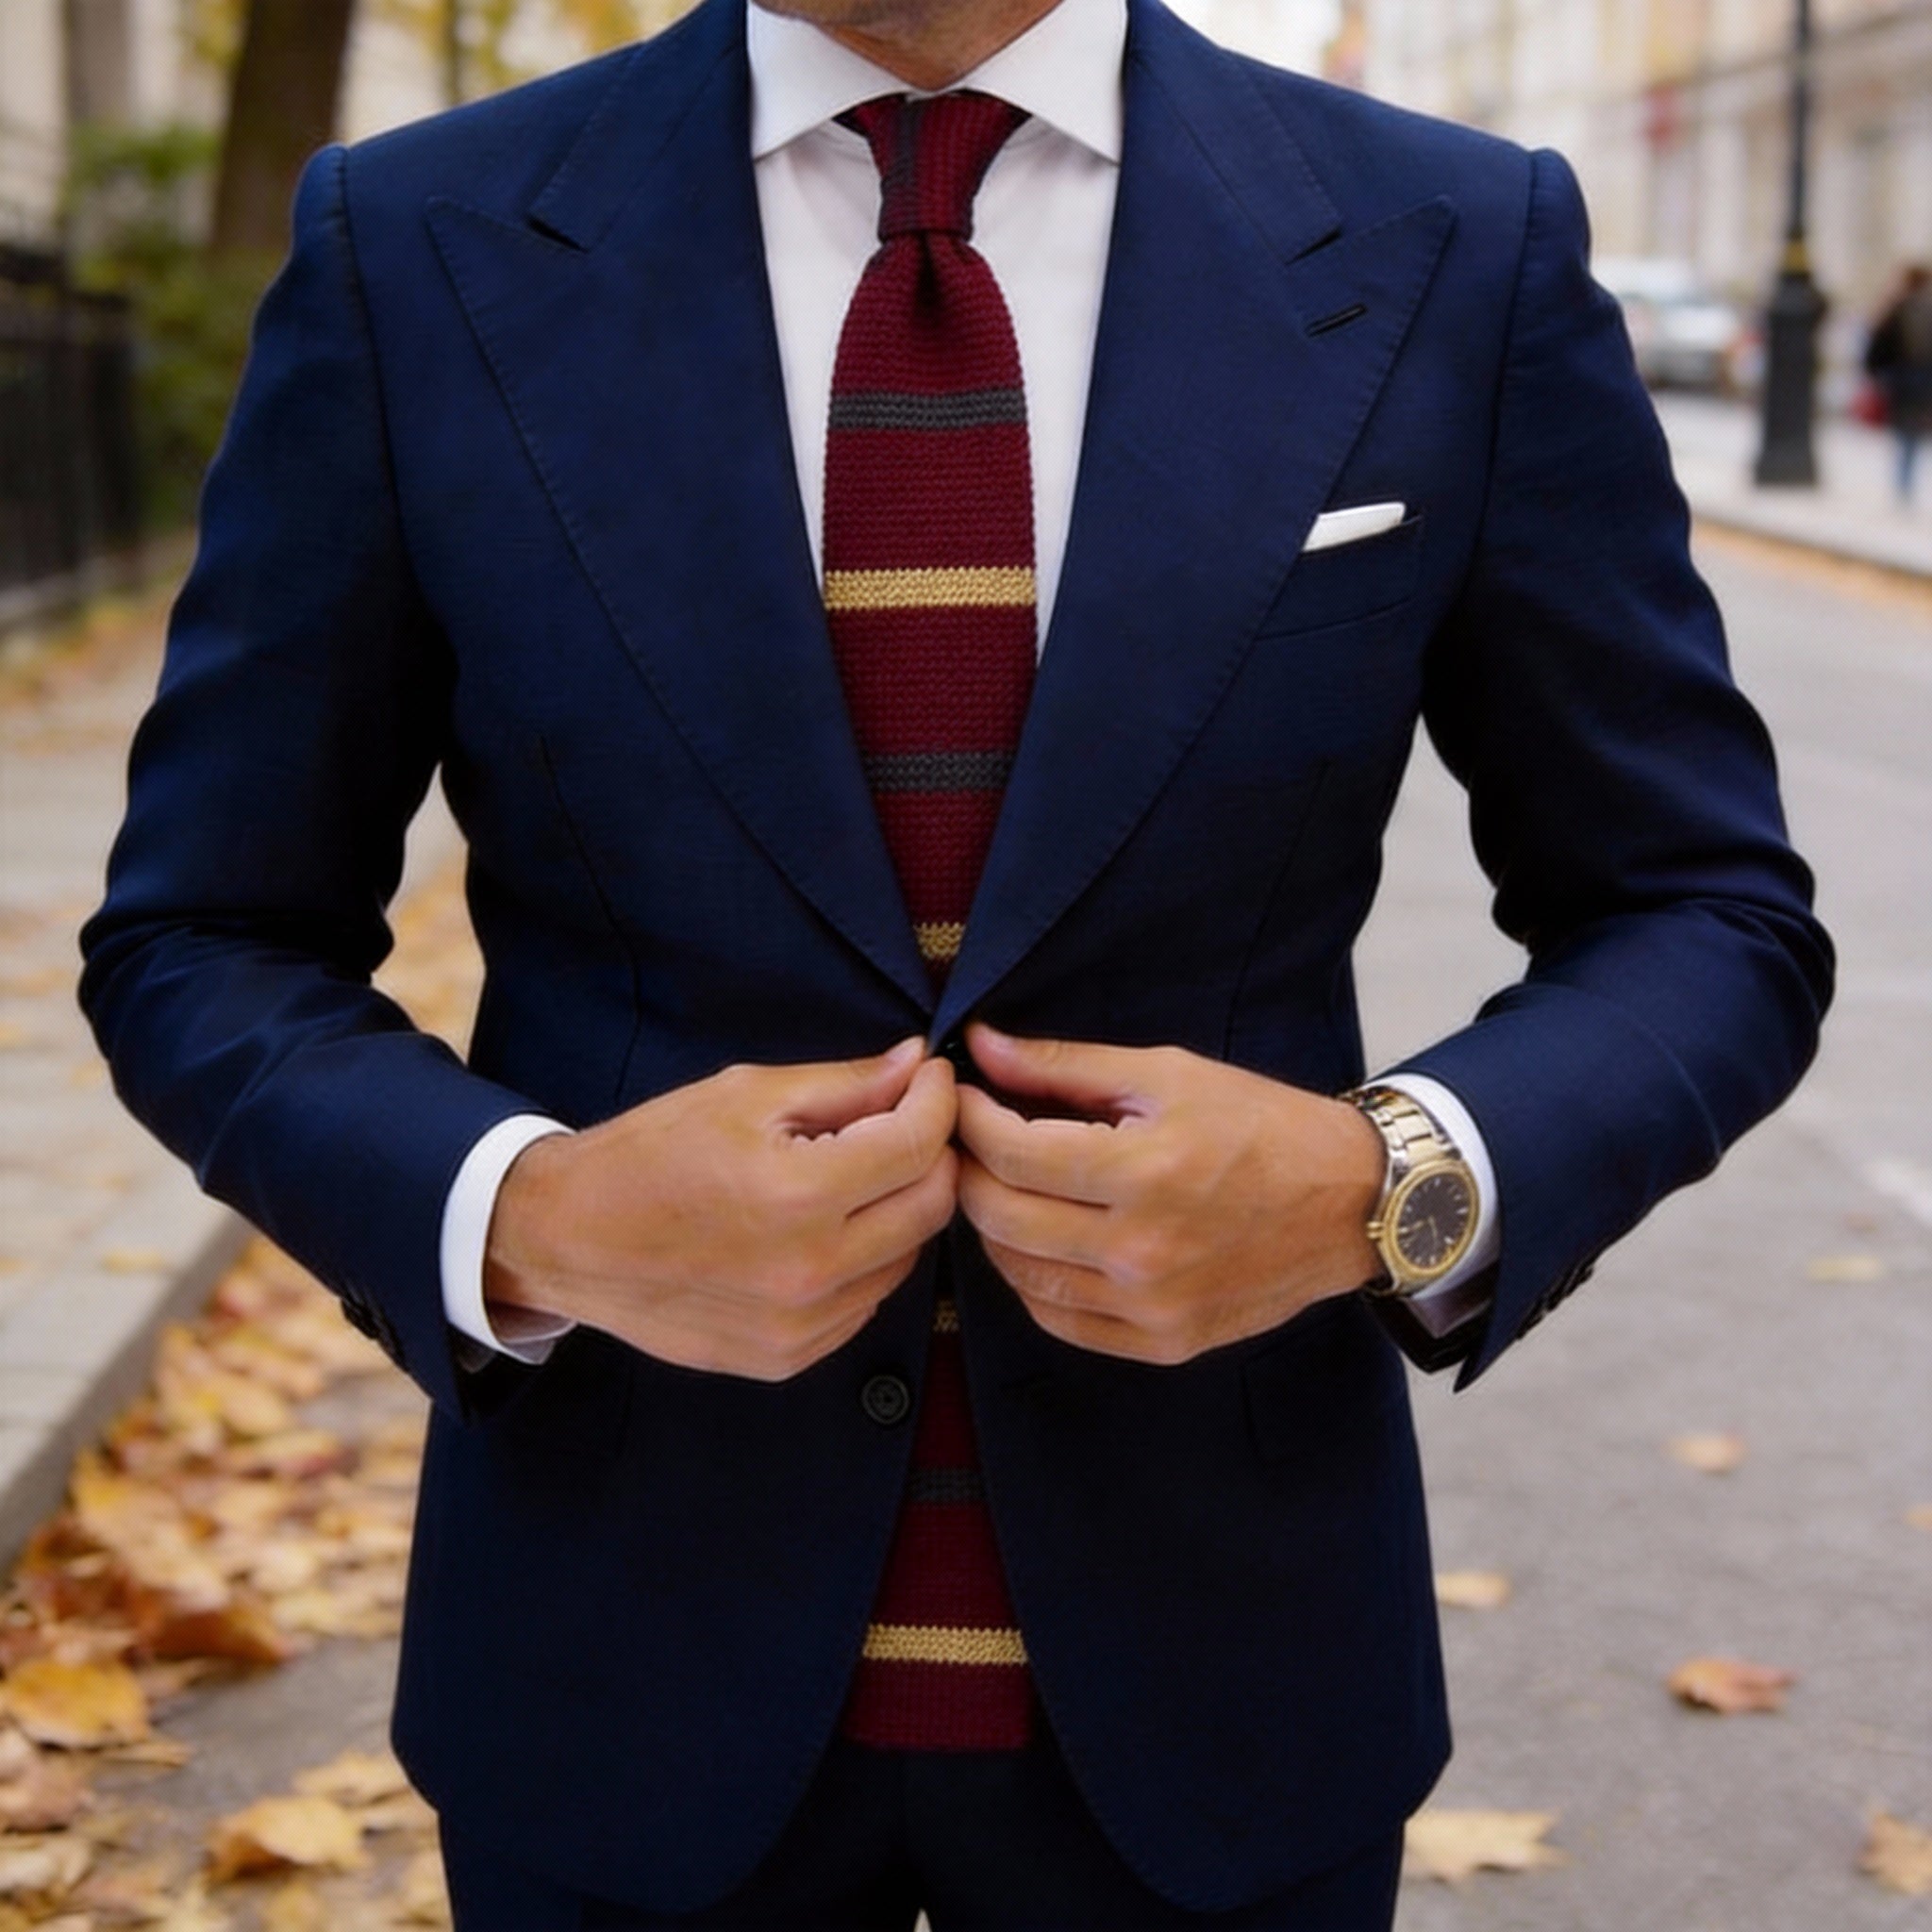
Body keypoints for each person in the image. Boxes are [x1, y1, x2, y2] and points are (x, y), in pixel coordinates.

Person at [78, 0, 1833, 1924]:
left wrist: (1381, 1184)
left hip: (1227, 1695)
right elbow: (204, 933)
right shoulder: (416, 238)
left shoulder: (1448, 236)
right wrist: (532, 1213)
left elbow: (1701, 912)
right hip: (616, 1681)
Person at [1865, 263, 1932, 507]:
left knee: (1904, 430)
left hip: (1901, 378)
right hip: (1921, 379)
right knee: (1913, 430)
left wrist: (1875, 373)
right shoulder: (1915, 309)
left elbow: (1877, 344)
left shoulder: (1896, 307)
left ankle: (1903, 482)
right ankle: (1906, 482)